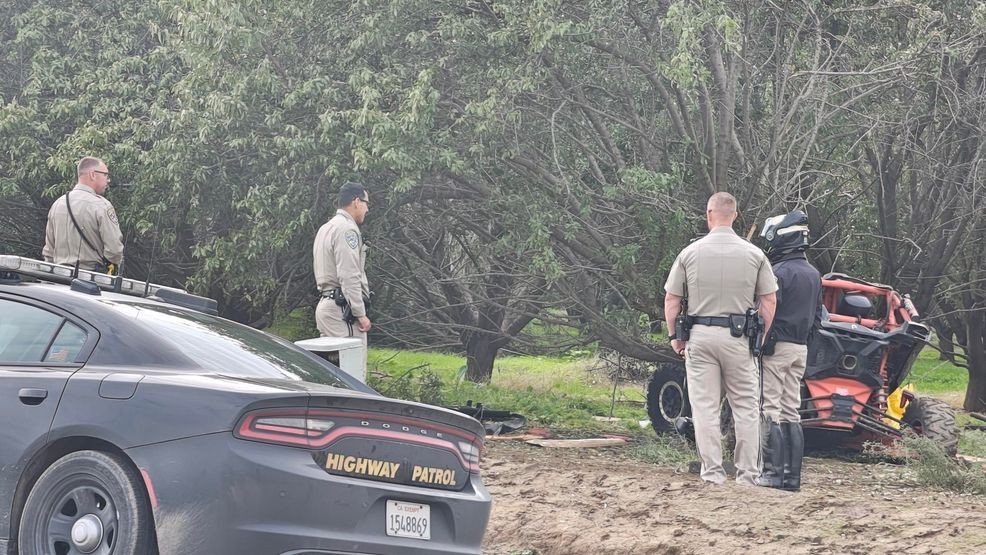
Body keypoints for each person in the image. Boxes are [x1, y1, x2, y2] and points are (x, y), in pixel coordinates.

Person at [664, 192, 777, 485]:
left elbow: (672, 299)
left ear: (708, 214)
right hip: (739, 338)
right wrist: (759, 337)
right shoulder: (755, 254)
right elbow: (769, 300)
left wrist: (675, 336)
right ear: (735, 216)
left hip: (700, 337)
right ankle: (748, 474)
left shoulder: (689, 253)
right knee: (746, 409)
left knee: (705, 409)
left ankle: (712, 473)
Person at [756, 210, 822, 492]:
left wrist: (762, 342)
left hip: (777, 348)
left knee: (770, 408)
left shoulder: (779, 272)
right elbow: (818, 318)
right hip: (800, 349)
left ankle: (772, 473)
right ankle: (791, 478)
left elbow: (769, 311)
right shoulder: (814, 274)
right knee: (791, 411)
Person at [313, 182, 371, 366]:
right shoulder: (347, 229)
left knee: (333, 372)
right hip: (342, 311)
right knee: (352, 371)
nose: (367, 209)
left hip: (326, 306)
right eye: (366, 203)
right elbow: (348, 275)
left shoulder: (326, 227)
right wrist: (360, 313)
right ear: (356, 201)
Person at [42, 156, 124, 273]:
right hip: (90, 280)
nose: (108, 180)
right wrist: (109, 270)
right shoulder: (101, 206)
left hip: (57, 278)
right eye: (105, 175)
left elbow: (49, 251)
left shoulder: (58, 204)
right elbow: (115, 250)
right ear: (93, 175)